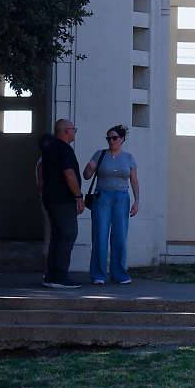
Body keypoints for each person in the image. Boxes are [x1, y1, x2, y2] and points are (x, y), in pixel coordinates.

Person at [82, 124, 140, 285]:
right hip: (102, 198)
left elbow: (134, 180)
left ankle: (119, 273)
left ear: (122, 139)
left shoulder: (129, 158)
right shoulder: (100, 154)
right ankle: (98, 274)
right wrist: (88, 169)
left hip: (121, 198)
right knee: (100, 235)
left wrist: (137, 201)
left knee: (120, 236)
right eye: (108, 138)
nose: (111, 141)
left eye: (114, 138)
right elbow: (87, 174)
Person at [34, 119, 85, 288]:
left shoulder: (49, 150)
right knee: (68, 234)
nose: (75, 133)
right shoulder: (64, 149)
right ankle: (60, 276)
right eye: (73, 129)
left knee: (57, 236)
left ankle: (51, 275)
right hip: (63, 200)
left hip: (50, 199)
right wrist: (78, 196)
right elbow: (69, 174)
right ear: (65, 131)